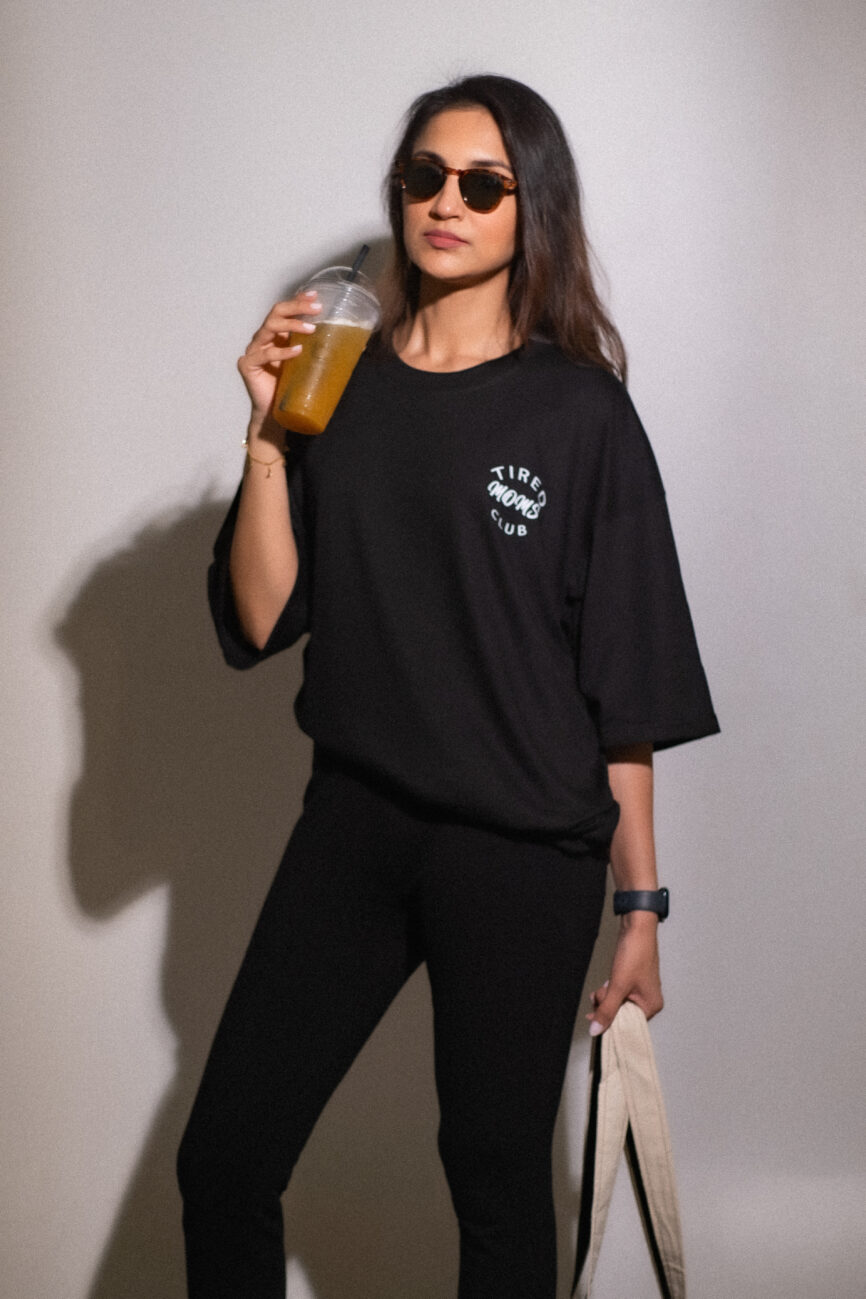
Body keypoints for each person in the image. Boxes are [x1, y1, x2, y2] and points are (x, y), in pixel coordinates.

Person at [177, 73, 719, 1299]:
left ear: (533, 210)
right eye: (424, 176)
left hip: (520, 853)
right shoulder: (339, 383)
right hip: (355, 825)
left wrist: (640, 907)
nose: (446, 204)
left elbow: (622, 684)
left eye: (483, 185)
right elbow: (258, 620)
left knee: (491, 1182)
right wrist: (266, 439)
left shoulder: (579, 414)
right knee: (225, 1158)